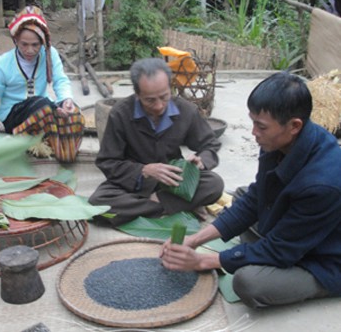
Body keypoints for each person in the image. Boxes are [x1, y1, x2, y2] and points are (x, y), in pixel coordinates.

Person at [160, 71, 341, 308]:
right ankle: (258, 249)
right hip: (296, 232)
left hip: (325, 258)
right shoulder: (280, 140)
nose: (253, 132)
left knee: (249, 282)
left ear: (294, 125)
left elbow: (281, 251)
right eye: (253, 121)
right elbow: (256, 196)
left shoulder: (323, 184)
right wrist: (195, 240)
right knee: (244, 195)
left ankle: (321, 286)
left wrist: (204, 261)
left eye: (261, 126)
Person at [88, 57, 224, 226]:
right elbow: (107, 161)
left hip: (173, 181)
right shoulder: (120, 114)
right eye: (150, 100)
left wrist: (201, 161)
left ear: (170, 88)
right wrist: (144, 170)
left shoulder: (186, 110)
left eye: (164, 97)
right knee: (98, 203)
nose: (159, 106)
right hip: (136, 183)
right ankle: (172, 206)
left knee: (214, 184)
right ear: (138, 95)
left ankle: (156, 204)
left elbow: (210, 144)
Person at [0, 5, 84, 163]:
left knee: (74, 114)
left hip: (43, 111)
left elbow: (60, 80)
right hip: (14, 117)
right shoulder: (2, 64)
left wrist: (66, 100)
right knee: (44, 107)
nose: (30, 50)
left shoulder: (49, 54)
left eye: (35, 45)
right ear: (15, 40)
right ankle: (25, 139)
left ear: (42, 41)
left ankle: (63, 152)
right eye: (24, 44)